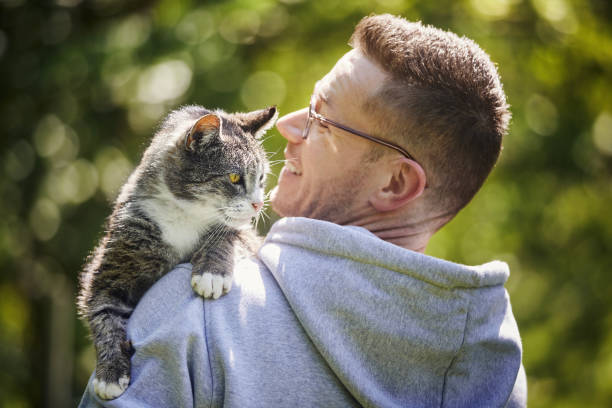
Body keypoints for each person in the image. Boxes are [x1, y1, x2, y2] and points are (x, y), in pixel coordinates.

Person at [79, 14, 526, 408]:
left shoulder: (192, 318)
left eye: (320, 119)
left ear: (395, 183)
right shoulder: (498, 371)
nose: (289, 127)